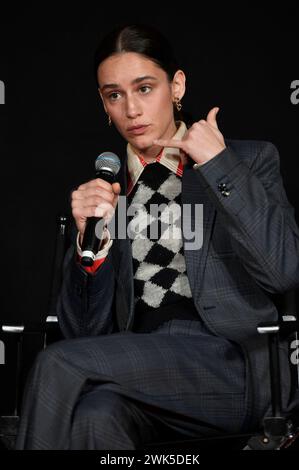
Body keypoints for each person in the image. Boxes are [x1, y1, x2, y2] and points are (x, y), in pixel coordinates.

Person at [16, 23, 299, 450]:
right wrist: (89, 247)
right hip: (141, 364)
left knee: (58, 366)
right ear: (104, 104)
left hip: (233, 363)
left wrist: (219, 165)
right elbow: (83, 334)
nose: (131, 110)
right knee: (96, 415)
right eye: (115, 95)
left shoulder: (246, 161)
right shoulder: (109, 191)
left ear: (177, 85)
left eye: (144, 88)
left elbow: (282, 271)